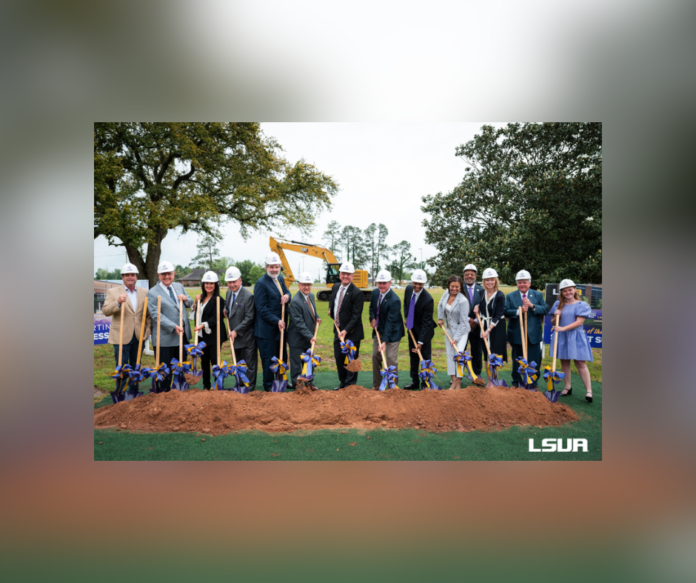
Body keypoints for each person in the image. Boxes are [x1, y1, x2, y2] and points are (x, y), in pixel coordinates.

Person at [147, 260, 193, 391]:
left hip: (182, 336)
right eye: (163, 274)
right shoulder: (153, 292)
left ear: (173, 273)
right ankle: (165, 395)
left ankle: (180, 394)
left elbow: (190, 303)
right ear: (158, 275)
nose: (167, 276)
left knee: (180, 367)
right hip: (165, 339)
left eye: (169, 273)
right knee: (166, 370)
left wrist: (186, 299)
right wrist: (174, 326)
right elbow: (156, 315)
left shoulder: (179, 286)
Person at [550, 279, 595, 403]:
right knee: (564, 362)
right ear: (562, 292)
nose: (568, 292)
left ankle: (589, 391)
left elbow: (579, 322)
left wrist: (563, 328)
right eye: (565, 291)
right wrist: (556, 315)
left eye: (570, 290)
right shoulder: (558, 304)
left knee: (580, 363)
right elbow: (553, 322)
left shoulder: (581, 304)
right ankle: (567, 387)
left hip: (575, 336)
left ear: (575, 289)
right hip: (562, 336)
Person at [503, 269, 548, 388]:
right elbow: (505, 311)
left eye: (525, 282)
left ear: (529, 283)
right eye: (519, 282)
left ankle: (532, 383)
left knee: (534, 360)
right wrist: (519, 311)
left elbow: (545, 309)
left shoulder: (537, 295)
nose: (522, 284)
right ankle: (516, 383)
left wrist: (532, 306)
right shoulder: (511, 296)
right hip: (516, 334)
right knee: (518, 360)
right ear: (516, 283)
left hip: (533, 335)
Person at [253, 252, 291, 392]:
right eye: (271, 267)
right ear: (266, 267)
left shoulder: (280, 279)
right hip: (266, 331)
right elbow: (261, 309)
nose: (274, 269)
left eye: (276, 266)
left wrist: (287, 295)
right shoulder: (261, 283)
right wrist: (277, 321)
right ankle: (269, 386)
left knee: (282, 355)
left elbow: (287, 292)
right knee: (269, 359)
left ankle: (281, 380)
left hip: (279, 329)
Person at [102, 262, 151, 367]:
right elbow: (105, 311)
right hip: (121, 335)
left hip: (139, 335)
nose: (130, 277)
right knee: (121, 366)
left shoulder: (145, 292)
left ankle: (134, 384)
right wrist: (118, 302)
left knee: (136, 365)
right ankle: (122, 384)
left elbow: (148, 315)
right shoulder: (113, 292)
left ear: (136, 277)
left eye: (132, 275)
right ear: (122, 277)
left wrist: (147, 332)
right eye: (127, 275)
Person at [328, 262, 365, 390]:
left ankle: (350, 385)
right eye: (343, 273)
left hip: (352, 333)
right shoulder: (335, 286)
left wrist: (346, 330)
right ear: (339, 275)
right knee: (339, 357)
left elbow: (356, 316)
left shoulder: (357, 293)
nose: (345, 276)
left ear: (352, 276)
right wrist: (330, 309)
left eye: (348, 274)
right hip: (338, 331)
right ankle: (343, 382)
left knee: (351, 359)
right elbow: (333, 299)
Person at [223, 265, 257, 392]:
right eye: (229, 282)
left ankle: (249, 386)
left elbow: (249, 317)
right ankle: (240, 384)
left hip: (246, 336)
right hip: (234, 337)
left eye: (234, 281)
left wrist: (237, 330)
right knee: (237, 362)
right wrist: (225, 309)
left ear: (240, 280)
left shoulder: (248, 296)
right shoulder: (228, 292)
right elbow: (228, 305)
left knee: (248, 363)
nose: (232, 284)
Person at [369, 270, 404, 390]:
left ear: (390, 283)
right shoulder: (374, 293)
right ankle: (377, 384)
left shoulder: (394, 300)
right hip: (378, 330)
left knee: (390, 358)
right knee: (375, 355)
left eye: (384, 283)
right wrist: (372, 318)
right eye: (379, 283)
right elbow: (371, 308)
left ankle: (393, 386)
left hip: (393, 332)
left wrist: (384, 341)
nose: (381, 285)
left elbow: (391, 322)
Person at [193, 271, 228, 390]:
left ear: (216, 285)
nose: (209, 285)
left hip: (214, 335)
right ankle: (206, 386)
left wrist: (203, 325)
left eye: (211, 283)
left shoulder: (218, 299)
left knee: (214, 360)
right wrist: (195, 302)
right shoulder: (200, 298)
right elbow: (197, 314)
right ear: (203, 284)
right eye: (206, 283)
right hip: (202, 335)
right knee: (204, 361)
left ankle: (218, 385)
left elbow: (215, 318)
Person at [403, 269, 436, 390]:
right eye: (415, 283)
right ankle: (415, 381)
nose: (417, 286)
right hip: (411, 330)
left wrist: (421, 341)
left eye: (420, 284)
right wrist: (406, 317)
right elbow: (406, 304)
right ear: (412, 281)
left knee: (425, 357)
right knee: (414, 357)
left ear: (424, 283)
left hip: (425, 333)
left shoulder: (428, 299)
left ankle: (425, 383)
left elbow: (427, 323)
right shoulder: (408, 289)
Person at [288, 272, 321, 388]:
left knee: (308, 363)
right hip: (297, 339)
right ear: (299, 285)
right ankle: (298, 385)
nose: (307, 287)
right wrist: (310, 336)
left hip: (307, 337)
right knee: (297, 365)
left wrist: (317, 317)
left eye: (309, 284)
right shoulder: (295, 301)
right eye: (304, 284)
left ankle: (309, 383)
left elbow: (312, 310)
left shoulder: (310, 296)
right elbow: (299, 323)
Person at [437, 275, 470, 389]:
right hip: (449, 330)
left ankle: (459, 382)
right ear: (449, 286)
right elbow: (440, 304)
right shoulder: (446, 294)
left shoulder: (463, 301)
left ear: (460, 287)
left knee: (459, 355)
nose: (454, 289)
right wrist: (440, 318)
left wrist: (456, 338)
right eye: (452, 286)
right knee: (450, 356)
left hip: (461, 332)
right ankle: (453, 381)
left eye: (457, 287)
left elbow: (464, 322)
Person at [473, 268, 507, 369]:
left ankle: (495, 379)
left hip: (497, 327)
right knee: (486, 351)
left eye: (492, 280)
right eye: (487, 280)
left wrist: (488, 330)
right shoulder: (482, 292)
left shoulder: (500, 295)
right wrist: (477, 306)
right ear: (484, 281)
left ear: (496, 281)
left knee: (495, 352)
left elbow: (498, 314)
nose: (490, 282)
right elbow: (483, 306)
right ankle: (489, 380)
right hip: (484, 324)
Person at [462, 264, 485, 378]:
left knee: (477, 350)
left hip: (477, 326)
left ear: (476, 276)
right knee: (461, 351)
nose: (469, 276)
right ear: (464, 276)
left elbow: (484, 306)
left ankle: (477, 374)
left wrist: (476, 320)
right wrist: (468, 320)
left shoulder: (481, 290)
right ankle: (458, 375)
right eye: (467, 274)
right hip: (462, 325)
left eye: (472, 274)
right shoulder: (459, 289)